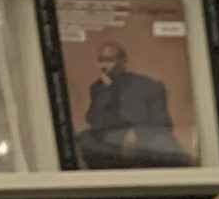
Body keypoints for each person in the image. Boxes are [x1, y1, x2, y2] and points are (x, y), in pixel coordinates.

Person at [75, 35, 187, 165]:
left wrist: (136, 134)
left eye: (109, 60)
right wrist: (106, 90)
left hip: (147, 139)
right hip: (111, 143)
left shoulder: (148, 85)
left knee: (166, 145)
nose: (104, 66)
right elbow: (94, 121)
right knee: (85, 139)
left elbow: (163, 123)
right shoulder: (97, 88)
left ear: (123, 62)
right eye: (101, 60)